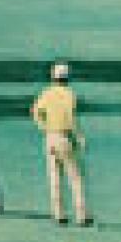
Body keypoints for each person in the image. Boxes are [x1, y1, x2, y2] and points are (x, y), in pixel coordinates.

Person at [30, 62, 91, 225]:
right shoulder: (69, 94)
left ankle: (59, 214)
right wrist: (79, 137)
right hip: (65, 137)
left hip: (50, 137)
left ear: (53, 77)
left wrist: (44, 127)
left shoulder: (47, 92)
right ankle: (82, 216)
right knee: (75, 177)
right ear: (67, 77)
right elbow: (71, 118)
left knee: (54, 177)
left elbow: (35, 112)